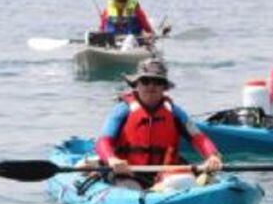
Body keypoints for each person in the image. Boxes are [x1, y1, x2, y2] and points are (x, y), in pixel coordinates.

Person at [96, 58, 224, 184]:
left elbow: (198, 138)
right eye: (145, 81)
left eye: (157, 82)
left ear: (164, 87)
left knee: (186, 181)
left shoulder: (175, 112)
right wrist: (111, 159)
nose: (151, 86)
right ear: (137, 84)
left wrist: (212, 156)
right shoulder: (122, 110)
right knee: (129, 187)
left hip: (165, 173)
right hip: (128, 173)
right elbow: (103, 141)